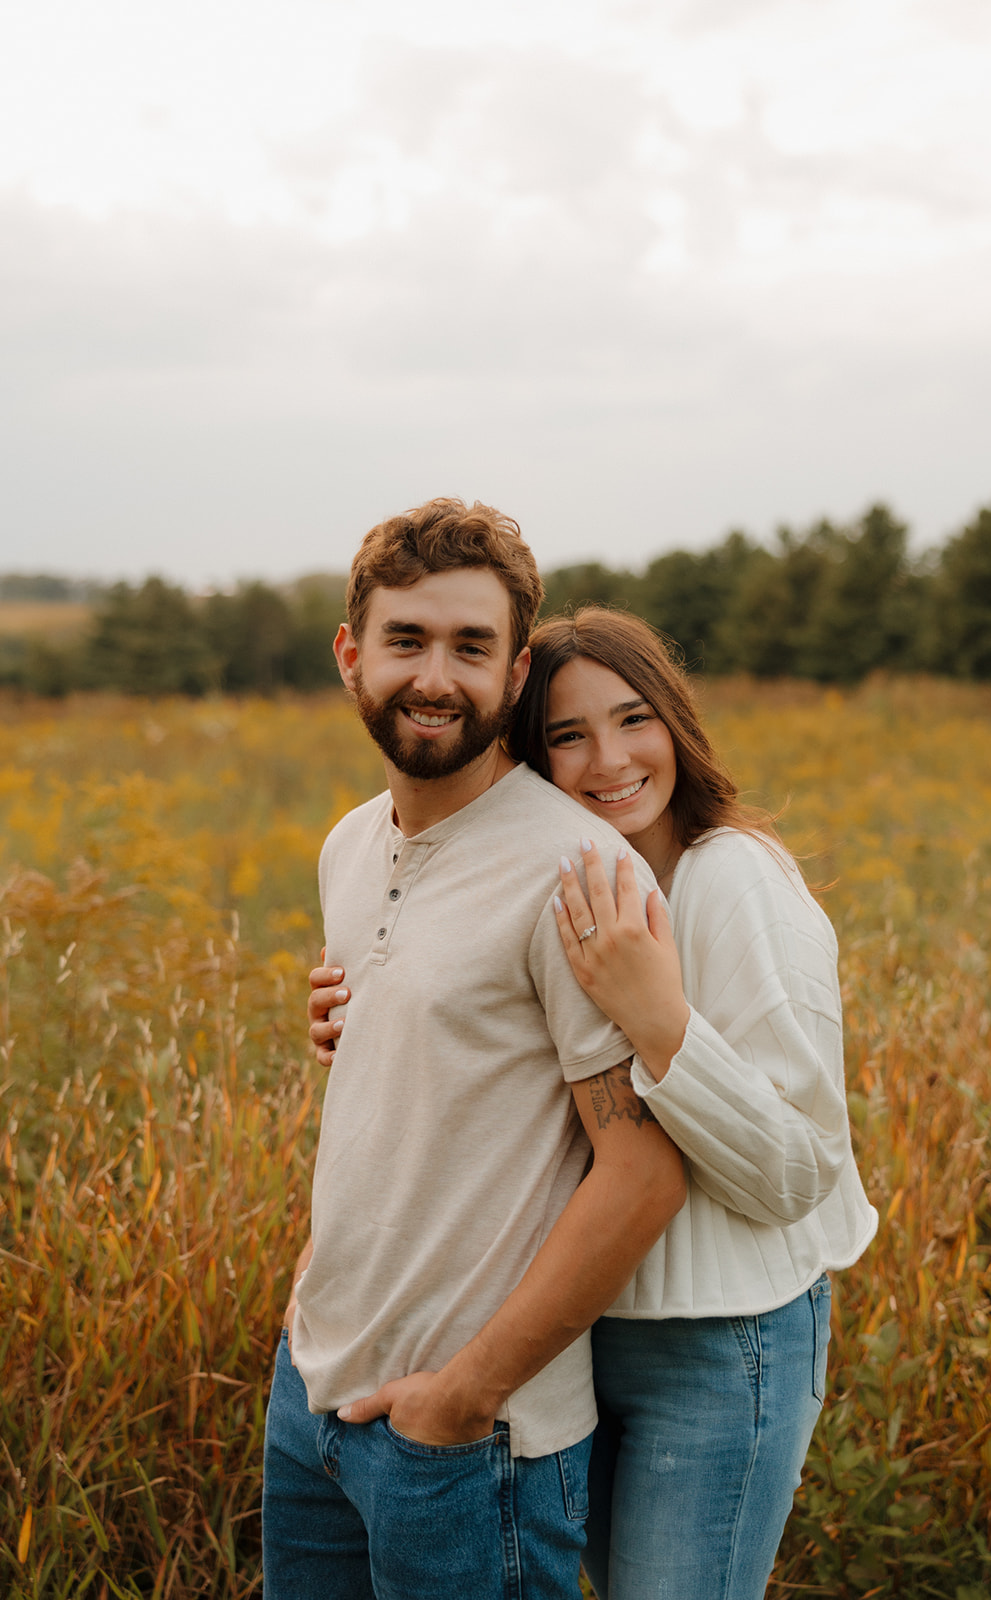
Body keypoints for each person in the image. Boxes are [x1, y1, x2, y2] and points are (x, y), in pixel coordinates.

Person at [310, 605, 877, 1600]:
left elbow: (795, 1171)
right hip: (575, 1335)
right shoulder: (560, 883)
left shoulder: (732, 878)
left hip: (719, 1339)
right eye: (566, 735)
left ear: (675, 725)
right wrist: (366, 1022)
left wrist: (661, 1023)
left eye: (631, 719)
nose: (606, 758)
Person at [265, 506, 686, 1600]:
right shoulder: (349, 844)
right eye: (406, 640)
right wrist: (310, 1297)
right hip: (310, 1389)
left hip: (470, 1443)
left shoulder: (578, 876)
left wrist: (461, 1395)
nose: (435, 676)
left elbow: (642, 1170)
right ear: (352, 654)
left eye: (471, 646)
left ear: (514, 670)